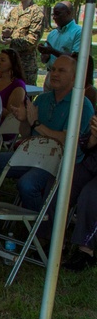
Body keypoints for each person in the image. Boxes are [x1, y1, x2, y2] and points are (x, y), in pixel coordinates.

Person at [0, 55, 95, 236]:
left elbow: (67, 140)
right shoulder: (43, 100)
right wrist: (24, 121)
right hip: (32, 154)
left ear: (75, 77)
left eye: (61, 70)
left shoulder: (81, 105)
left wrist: (36, 123)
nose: (54, 74)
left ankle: (41, 232)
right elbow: (27, 134)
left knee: (28, 184)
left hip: (59, 162)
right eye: (52, 69)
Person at [63, 114, 97, 271]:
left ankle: (86, 250)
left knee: (90, 194)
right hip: (92, 164)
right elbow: (86, 144)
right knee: (65, 181)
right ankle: (50, 239)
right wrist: (94, 138)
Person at [0, 0, 44, 85]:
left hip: (26, 66)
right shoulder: (14, 11)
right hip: (10, 63)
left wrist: (12, 41)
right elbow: (6, 28)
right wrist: (5, 35)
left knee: (25, 95)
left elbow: (32, 40)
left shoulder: (36, 13)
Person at [38, 1, 82, 80]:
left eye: (58, 14)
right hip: (50, 75)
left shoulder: (79, 32)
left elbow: (76, 58)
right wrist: (45, 54)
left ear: (69, 13)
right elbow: (45, 60)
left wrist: (52, 51)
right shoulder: (52, 34)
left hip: (68, 78)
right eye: (53, 14)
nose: (54, 17)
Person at [0, 48, 28, 126]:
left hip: (4, 128)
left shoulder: (18, 85)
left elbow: (10, 115)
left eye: (2, 60)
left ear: (12, 63)